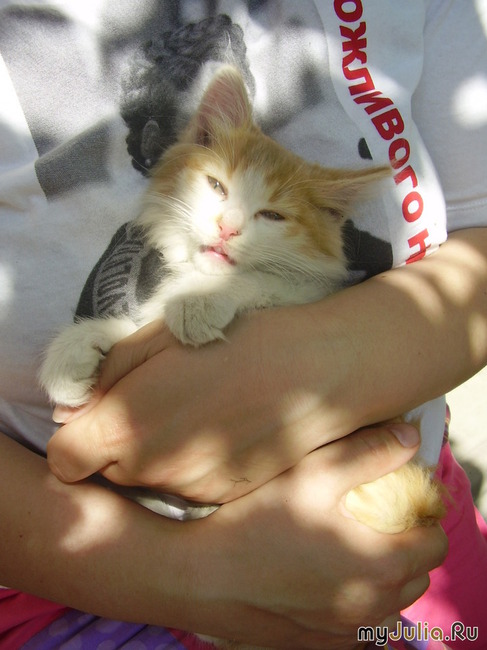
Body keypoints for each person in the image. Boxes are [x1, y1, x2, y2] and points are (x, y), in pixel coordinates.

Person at [0, 1, 486, 649]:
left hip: (403, 502)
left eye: (271, 216)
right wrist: (181, 573)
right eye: (219, 190)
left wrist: (320, 353)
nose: (229, 227)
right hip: (66, 586)